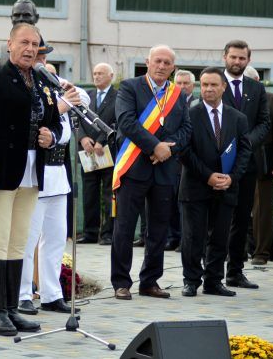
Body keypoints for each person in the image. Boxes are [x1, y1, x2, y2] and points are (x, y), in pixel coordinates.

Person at [0, 23, 62, 336]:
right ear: (9, 44)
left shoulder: (43, 80)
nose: (30, 49)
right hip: (2, 169)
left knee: (19, 242)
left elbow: (55, 123)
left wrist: (53, 135)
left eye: (35, 44)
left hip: (33, 172)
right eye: (24, 42)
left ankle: (12, 308)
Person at [111, 45, 192, 300]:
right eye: (157, 60)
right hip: (134, 167)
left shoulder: (177, 93)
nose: (162, 66)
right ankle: (121, 283)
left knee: (158, 230)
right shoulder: (129, 87)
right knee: (124, 228)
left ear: (173, 67)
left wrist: (168, 149)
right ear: (147, 62)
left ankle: (150, 281)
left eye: (167, 63)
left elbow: (186, 129)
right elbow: (126, 122)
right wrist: (154, 146)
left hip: (165, 170)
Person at [18, 45, 87, 316]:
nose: (42, 62)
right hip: (34, 173)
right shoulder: (25, 88)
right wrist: (60, 105)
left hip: (58, 172)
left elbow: (83, 98)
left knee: (56, 238)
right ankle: (23, 293)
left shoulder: (52, 84)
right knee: (27, 239)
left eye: (45, 57)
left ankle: (51, 293)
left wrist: (62, 86)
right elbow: (34, 119)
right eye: (38, 57)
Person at [179, 68, 251, 297]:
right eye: (204, 85)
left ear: (223, 87)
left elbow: (244, 151)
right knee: (193, 237)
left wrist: (232, 178)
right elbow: (184, 151)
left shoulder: (238, 118)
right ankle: (191, 281)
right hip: (196, 186)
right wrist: (208, 175)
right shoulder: (189, 114)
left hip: (227, 187)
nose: (208, 89)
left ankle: (214, 281)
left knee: (220, 236)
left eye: (213, 85)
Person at [220, 40, 269, 289]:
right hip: (218, 162)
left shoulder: (256, 89)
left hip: (247, 164)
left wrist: (246, 142)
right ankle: (210, 273)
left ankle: (235, 272)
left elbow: (264, 123)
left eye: (242, 58)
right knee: (217, 219)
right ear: (224, 57)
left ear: (248, 60)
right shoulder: (214, 82)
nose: (237, 62)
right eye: (233, 57)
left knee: (241, 219)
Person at [78, 63, 117, 245]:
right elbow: (78, 118)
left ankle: (108, 233)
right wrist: (83, 138)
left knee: (109, 194)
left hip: (107, 151)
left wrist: (102, 140)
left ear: (111, 76)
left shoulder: (118, 97)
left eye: (101, 73)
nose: (97, 76)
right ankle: (90, 233)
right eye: (94, 73)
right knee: (89, 193)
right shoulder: (88, 96)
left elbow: (116, 121)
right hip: (88, 153)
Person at [243, 66, 273, 265]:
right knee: (236, 206)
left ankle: (261, 252)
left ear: (258, 79)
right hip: (238, 160)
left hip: (264, 161)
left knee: (262, 209)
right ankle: (237, 252)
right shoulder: (236, 100)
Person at [165, 69, 197, 252]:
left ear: (193, 85)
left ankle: (186, 239)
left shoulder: (198, 104)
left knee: (184, 204)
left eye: (186, 83)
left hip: (189, 161)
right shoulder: (167, 103)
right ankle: (172, 238)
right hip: (170, 160)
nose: (183, 87)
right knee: (169, 201)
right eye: (179, 83)